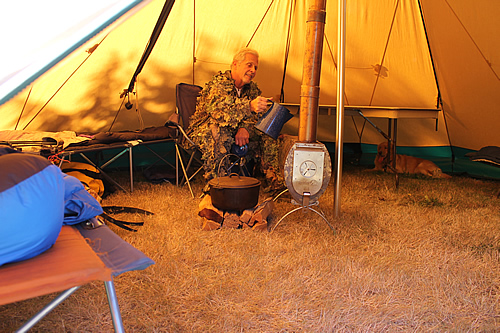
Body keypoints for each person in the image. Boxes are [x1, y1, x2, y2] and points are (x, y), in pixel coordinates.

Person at [186, 47, 283, 192]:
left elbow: (256, 117)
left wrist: (245, 128)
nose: (253, 70)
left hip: (236, 130)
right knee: (218, 132)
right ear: (235, 64)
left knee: (267, 131)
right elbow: (218, 111)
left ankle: (275, 183)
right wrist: (249, 106)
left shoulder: (252, 89)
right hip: (205, 129)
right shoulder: (219, 83)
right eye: (249, 65)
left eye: (255, 67)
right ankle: (218, 185)